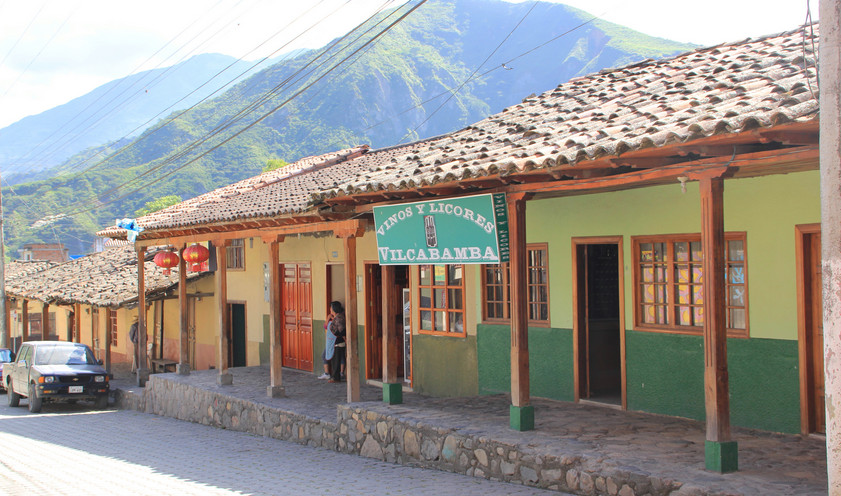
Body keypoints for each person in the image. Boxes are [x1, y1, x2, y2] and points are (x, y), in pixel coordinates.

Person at [327, 301, 346, 383]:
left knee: (336, 360)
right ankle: (334, 376)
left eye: (331, 308)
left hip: (338, 342)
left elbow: (341, 331)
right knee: (334, 359)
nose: (330, 309)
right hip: (336, 342)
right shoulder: (336, 317)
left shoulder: (339, 318)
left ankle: (336, 377)